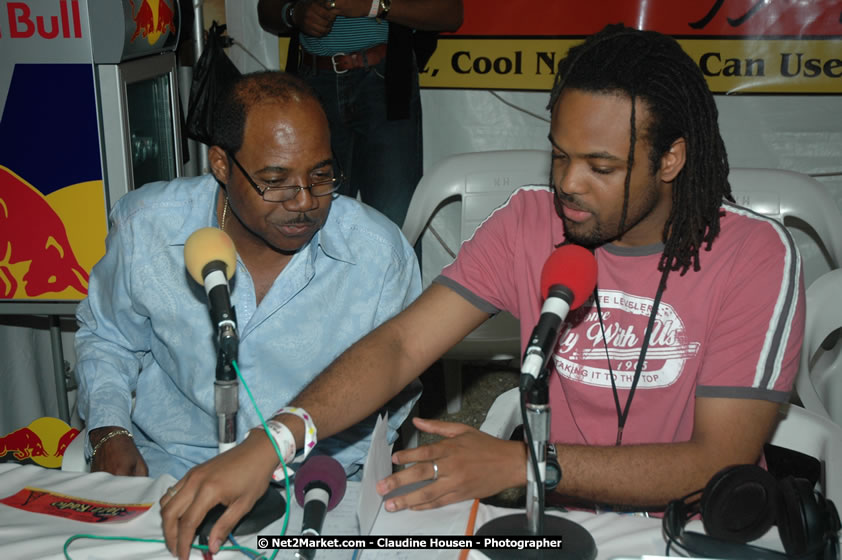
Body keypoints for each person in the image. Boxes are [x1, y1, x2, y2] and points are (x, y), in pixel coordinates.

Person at [160, 24, 805, 558]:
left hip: (689, 532)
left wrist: (526, 464)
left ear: (671, 160)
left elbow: (719, 457)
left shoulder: (755, 255)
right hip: (545, 527)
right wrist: (274, 439)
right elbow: (400, 345)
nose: (569, 185)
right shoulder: (530, 222)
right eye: (559, 155)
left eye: (601, 167)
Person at [74, 71, 421, 480]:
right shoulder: (147, 230)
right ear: (221, 163)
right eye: (275, 181)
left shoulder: (378, 255)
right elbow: (108, 339)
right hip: (170, 471)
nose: (305, 201)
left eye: (321, 175)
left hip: (313, 483)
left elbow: (395, 386)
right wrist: (109, 431)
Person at [256, 0, 463, 228]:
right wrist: (295, 13)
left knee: (394, 222)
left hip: (384, 82)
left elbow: (450, 13)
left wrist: (373, 6)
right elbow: (267, 11)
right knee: (312, 221)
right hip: (313, 85)